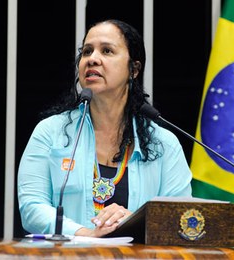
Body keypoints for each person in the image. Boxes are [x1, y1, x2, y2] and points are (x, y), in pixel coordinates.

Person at [17, 19, 192, 238]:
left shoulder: (164, 144)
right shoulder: (51, 132)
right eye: (87, 51)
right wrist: (85, 234)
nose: (92, 59)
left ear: (134, 69)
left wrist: (135, 222)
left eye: (107, 51)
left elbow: (181, 219)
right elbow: (32, 208)